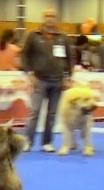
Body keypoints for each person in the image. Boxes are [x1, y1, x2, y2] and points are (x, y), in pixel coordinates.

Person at [20, 8, 74, 152]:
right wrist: (29, 73)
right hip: (39, 80)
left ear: (57, 19)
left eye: (53, 16)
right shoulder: (33, 35)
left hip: (57, 81)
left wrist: (68, 77)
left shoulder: (63, 38)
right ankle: (28, 141)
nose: (50, 19)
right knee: (35, 112)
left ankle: (47, 142)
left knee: (52, 114)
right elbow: (24, 55)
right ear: (43, 18)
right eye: (48, 16)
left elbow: (70, 58)